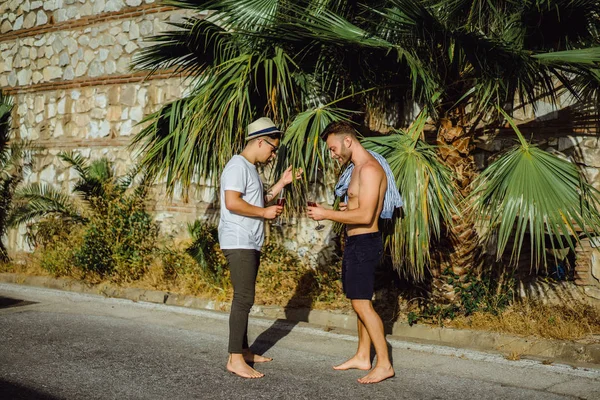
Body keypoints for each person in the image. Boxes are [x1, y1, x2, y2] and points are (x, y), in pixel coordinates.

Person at [307, 121, 400, 384]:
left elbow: (368, 215)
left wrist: (326, 213)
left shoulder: (369, 169)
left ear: (348, 141)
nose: (333, 154)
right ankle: (362, 355)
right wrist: (345, 210)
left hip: (365, 243)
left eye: (334, 148)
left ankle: (384, 363)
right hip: (355, 242)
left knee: (361, 303)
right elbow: (358, 208)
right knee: (359, 299)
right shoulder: (357, 169)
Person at [219, 117, 302, 379]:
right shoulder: (237, 166)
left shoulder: (250, 169)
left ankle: (243, 350)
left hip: (250, 240)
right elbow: (232, 202)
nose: (273, 154)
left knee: (245, 298)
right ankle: (234, 358)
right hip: (239, 239)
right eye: (272, 148)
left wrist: (280, 184)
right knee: (244, 299)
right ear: (259, 141)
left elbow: (257, 200)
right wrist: (264, 213)